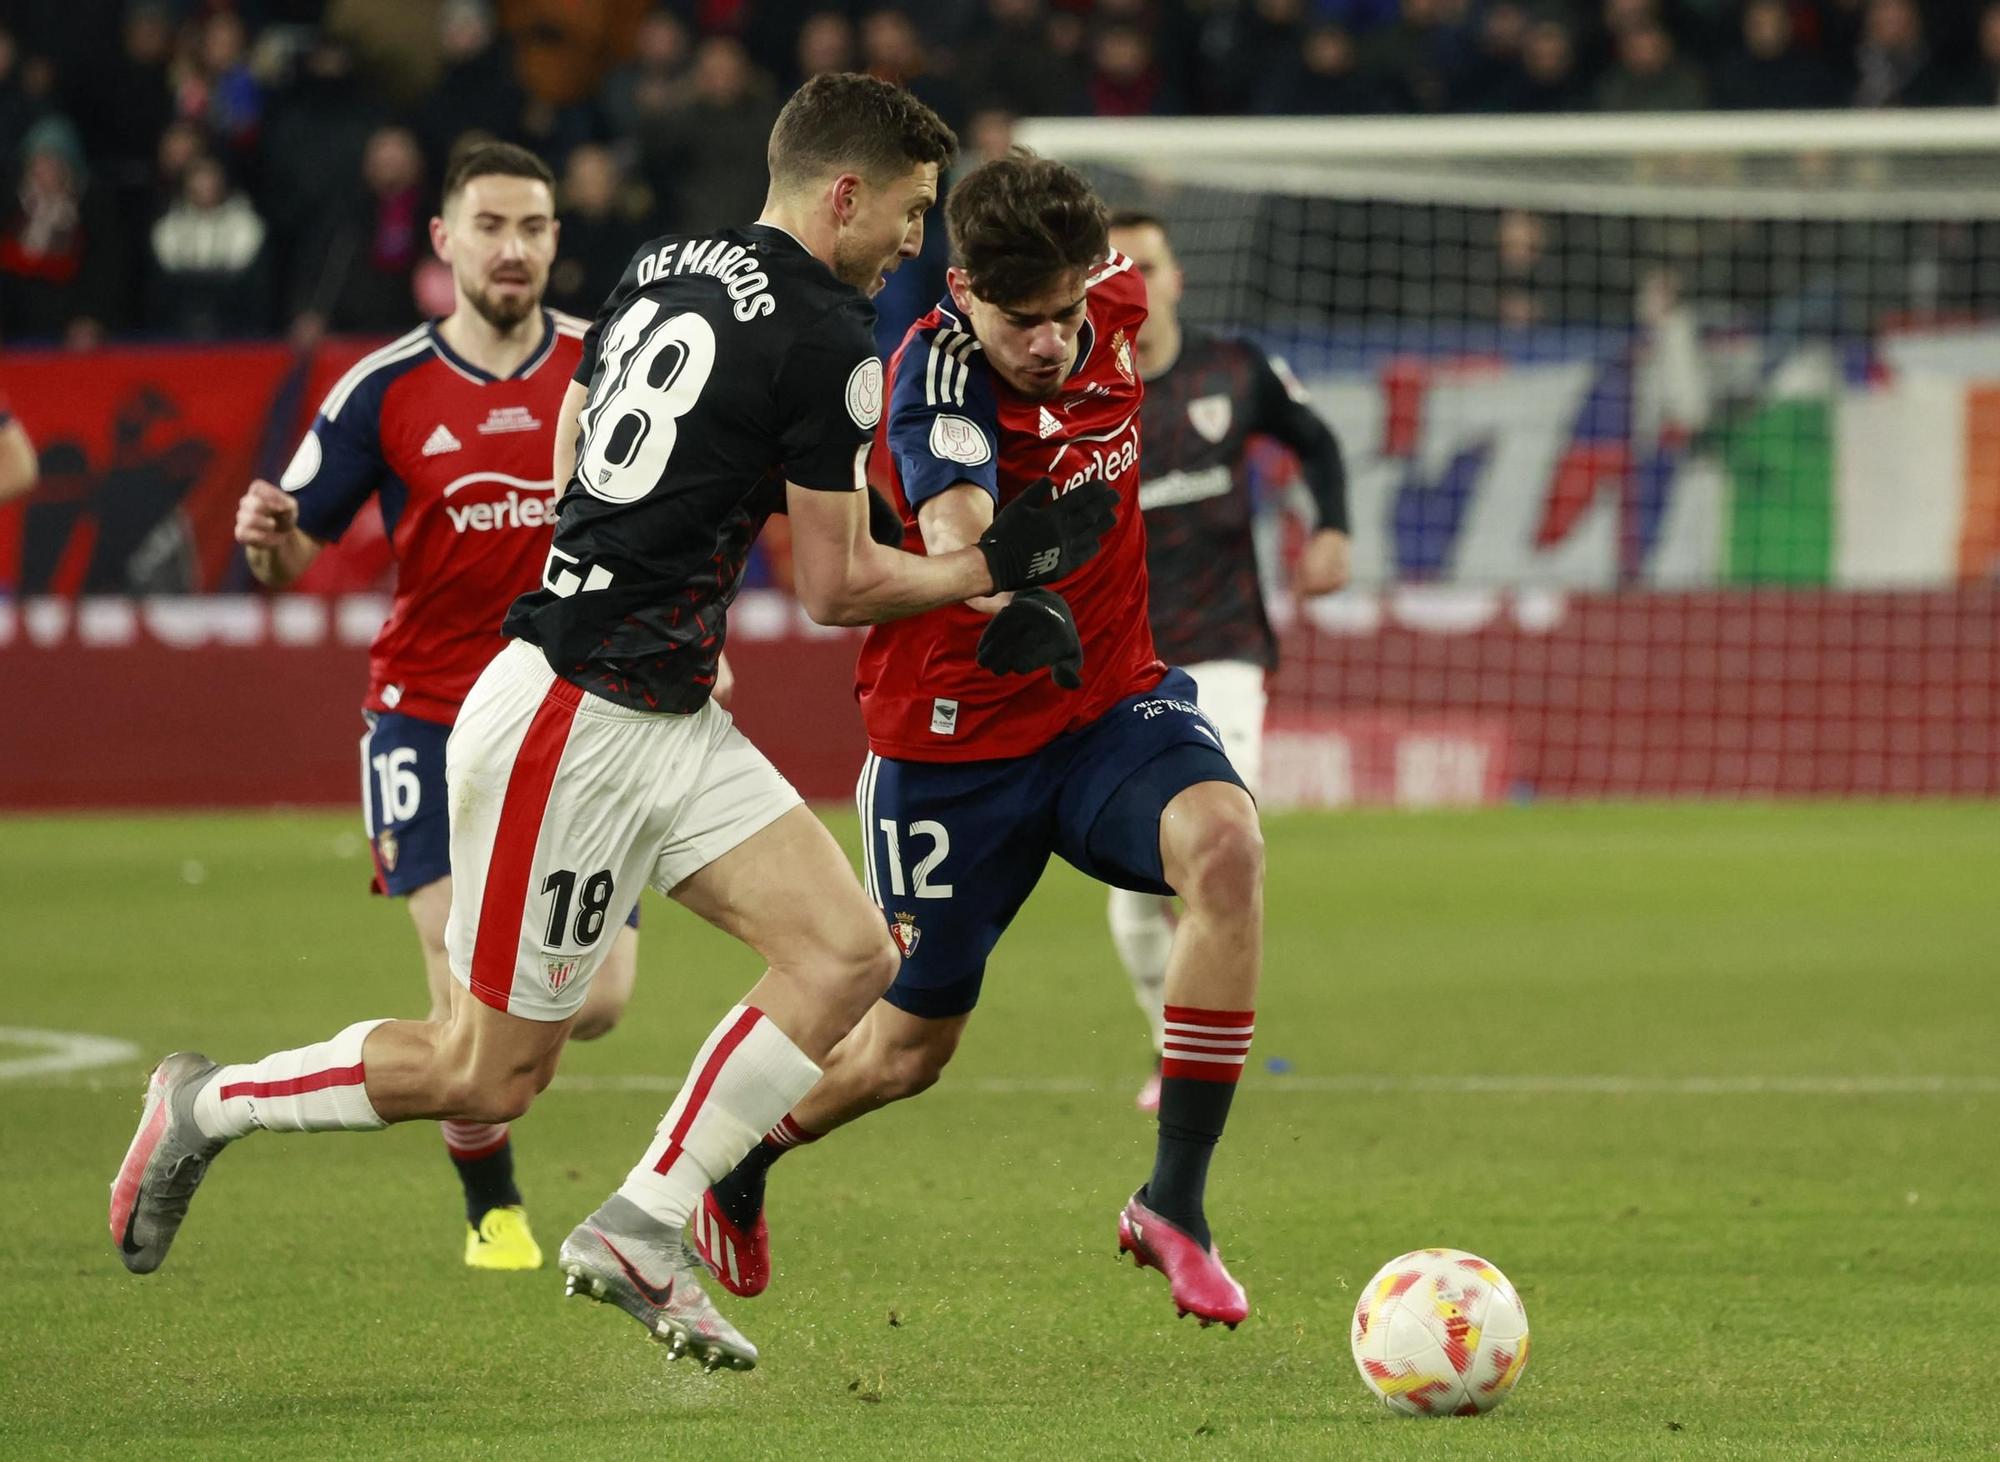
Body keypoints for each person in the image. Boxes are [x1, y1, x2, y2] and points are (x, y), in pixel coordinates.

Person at [112, 75, 1117, 1375]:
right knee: (485, 1075)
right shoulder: (832, 335)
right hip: (574, 718)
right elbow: (835, 585)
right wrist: (999, 568)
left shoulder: (667, 260)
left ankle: (643, 1221)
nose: (919, 246)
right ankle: (205, 1100)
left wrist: (638, 567)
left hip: (658, 700)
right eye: (914, 215)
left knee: (847, 952)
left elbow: (587, 426)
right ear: (847, 194)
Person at [690, 152, 1264, 1330]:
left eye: (1063, 317)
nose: (1050, 343)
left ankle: (1174, 1203)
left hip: (1108, 707)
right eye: (1022, 323)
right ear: (962, 291)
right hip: (951, 746)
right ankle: (737, 1159)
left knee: (1227, 849)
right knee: (905, 1052)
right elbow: (961, 528)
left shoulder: (1115, 299)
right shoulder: (925, 381)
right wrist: (1013, 605)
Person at [230, 141, 636, 1272]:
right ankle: (491, 1205)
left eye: (535, 227)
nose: (514, 249)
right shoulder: (383, 387)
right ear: (444, 240)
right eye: (491, 226)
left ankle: (479, 1123)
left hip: (579, 712)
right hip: (430, 716)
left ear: (558, 239)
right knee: (466, 994)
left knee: (596, 1000)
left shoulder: (610, 368)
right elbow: (295, 545)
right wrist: (267, 547)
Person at [1103, 209, 1351, 1113]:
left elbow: (1316, 440)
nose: (1137, 284)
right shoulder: (1084, 392)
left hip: (1227, 654)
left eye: (1151, 265)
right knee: (1130, 903)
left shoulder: (1233, 370)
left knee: (1216, 841)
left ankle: (1203, 1054)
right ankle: (1172, 1049)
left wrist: (1332, 527)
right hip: (1123, 670)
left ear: (1173, 280)